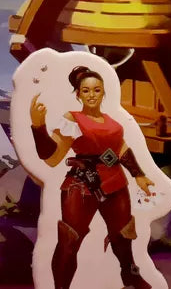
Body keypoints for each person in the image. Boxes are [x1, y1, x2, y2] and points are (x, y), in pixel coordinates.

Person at [30, 66, 154, 289]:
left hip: (115, 183)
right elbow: (52, 158)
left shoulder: (112, 122)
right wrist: (38, 126)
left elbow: (121, 150)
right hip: (81, 185)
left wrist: (139, 175)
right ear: (78, 94)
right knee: (69, 240)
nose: (92, 95)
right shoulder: (73, 119)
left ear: (103, 92)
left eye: (97, 90)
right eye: (86, 90)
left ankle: (131, 276)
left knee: (123, 235)